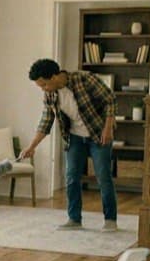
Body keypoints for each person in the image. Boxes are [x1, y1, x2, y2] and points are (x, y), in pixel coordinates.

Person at [19, 58, 118, 231]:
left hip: (98, 135)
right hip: (75, 138)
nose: (44, 89)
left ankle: (110, 220)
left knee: (103, 177)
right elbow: (46, 121)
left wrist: (108, 129)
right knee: (71, 177)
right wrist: (31, 146)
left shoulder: (85, 79)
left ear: (54, 76)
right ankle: (74, 219)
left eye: (44, 85)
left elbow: (110, 99)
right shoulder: (50, 95)